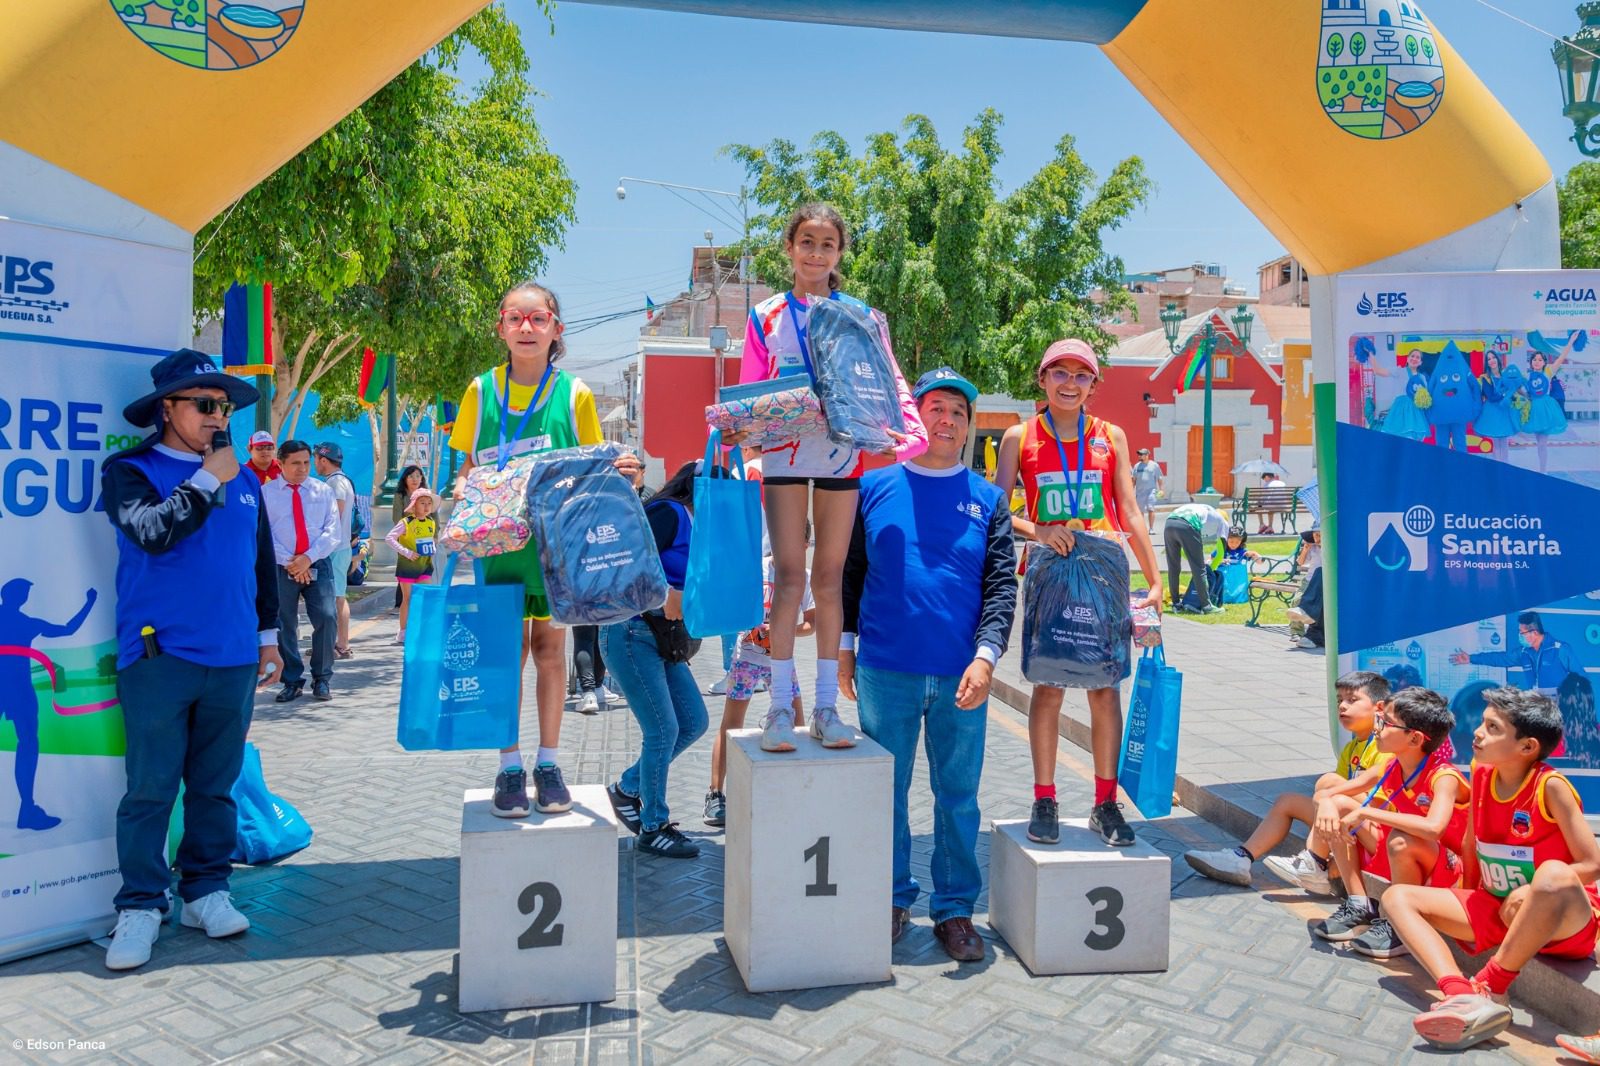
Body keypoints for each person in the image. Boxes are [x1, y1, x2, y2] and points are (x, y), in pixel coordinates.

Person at [99, 348, 282, 971]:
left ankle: (206, 890)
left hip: (232, 658)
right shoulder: (130, 470)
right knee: (150, 790)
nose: (215, 416)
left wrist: (268, 636)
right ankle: (142, 905)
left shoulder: (249, 482)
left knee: (214, 786)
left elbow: (260, 566)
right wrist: (207, 479)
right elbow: (153, 531)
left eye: (222, 406)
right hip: (159, 656)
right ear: (167, 410)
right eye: (203, 405)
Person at [839, 368, 1018, 962]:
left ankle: (955, 910)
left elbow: (1000, 590)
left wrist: (987, 658)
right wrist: (843, 647)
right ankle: (889, 899)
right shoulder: (874, 487)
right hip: (886, 669)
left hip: (963, 677)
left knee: (958, 796)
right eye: (936, 408)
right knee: (883, 793)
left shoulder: (989, 500)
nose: (948, 420)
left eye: (959, 413)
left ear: (968, 427)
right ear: (916, 416)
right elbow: (850, 573)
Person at [734, 203, 926, 754]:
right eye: (807, 241)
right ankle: (777, 712)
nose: (816, 253)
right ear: (790, 248)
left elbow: (888, 379)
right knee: (790, 578)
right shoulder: (765, 316)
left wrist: (905, 432)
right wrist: (741, 431)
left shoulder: (862, 316)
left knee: (830, 579)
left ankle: (824, 709)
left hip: (844, 456)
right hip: (784, 458)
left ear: (840, 253)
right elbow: (751, 391)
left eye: (827, 244)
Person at [448, 280, 640, 817]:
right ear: (500, 327)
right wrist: (462, 487)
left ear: (557, 328)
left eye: (538, 319)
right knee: (506, 655)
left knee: (551, 653)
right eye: (515, 318)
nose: (526, 328)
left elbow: (595, 468)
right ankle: (509, 766)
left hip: (556, 553)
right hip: (498, 552)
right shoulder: (480, 392)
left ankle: (549, 763)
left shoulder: (573, 394)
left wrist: (626, 472)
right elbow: (465, 468)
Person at [992, 337, 1163, 847]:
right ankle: (1044, 798)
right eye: (1059, 373)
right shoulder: (1019, 437)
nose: (1070, 383)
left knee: (1104, 689)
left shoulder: (1111, 435)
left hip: (1105, 573)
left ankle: (1105, 803)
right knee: (1047, 687)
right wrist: (1038, 530)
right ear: (1042, 380)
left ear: (1094, 383)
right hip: (1050, 574)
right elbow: (997, 508)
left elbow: (1129, 508)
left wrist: (1155, 579)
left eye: (1081, 374)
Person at [1384, 688, 1600, 1051]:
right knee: (1396, 898)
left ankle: (1490, 986)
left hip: (1564, 922)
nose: (1478, 733)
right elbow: (1471, 845)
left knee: (1551, 873)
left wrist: (1530, 892)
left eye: (1492, 727)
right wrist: (1469, 899)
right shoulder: (1479, 772)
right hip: (1501, 907)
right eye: (1482, 723)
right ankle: (1459, 992)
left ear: (1527, 747)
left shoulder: (1551, 787)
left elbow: (1592, 865)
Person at [1183, 670, 1389, 894]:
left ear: (1379, 708)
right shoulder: (1351, 748)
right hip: (1353, 823)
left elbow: (1381, 807)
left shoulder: (1386, 747)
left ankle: (1314, 862)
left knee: (1329, 785)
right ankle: (1241, 858)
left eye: (1352, 700)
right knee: (1288, 801)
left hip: (1380, 832)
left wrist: (1331, 799)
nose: (1342, 706)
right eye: (1339, 700)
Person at [603, 461, 713, 858]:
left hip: (662, 639)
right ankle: (653, 825)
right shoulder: (667, 512)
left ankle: (627, 789)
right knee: (663, 729)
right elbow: (626, 561)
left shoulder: (698, 522)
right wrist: (665, 592)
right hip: (632, 632)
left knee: (694, 721)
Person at [1312, 688, 1466, 960]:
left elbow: (1434, 828)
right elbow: (1330, 793)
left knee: (1400, 839)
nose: (1377, 727)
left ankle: (1400, 926)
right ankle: (1360, 903)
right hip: (1404, 857)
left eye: (1386, 722)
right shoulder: (1392, 765)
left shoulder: (1444, 776)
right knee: (1339, 805)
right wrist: (1326, 803)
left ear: (1415, 738)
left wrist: (1368, 814)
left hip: (1448, 868)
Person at [704, 556, 813, 826]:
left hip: (782, 660)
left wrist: (781, 630)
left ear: (804, 545)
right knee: (731, 726)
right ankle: (715, 794)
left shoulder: (805, 575)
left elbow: (812, 625)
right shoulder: (755, 566)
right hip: (747, 657)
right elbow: (730, 606)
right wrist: (752, 628)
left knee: (797, 724)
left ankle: (799, 788)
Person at [0, 579, 96, 830]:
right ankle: (27, 808)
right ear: (17, 596)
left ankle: (28, 809)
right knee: (28, 743)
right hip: (19, 689)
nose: (27, 595)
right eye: (25, 591)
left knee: (29, 742)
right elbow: (68, 629)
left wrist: (89, 604)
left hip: (16, 689)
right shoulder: (25, 623)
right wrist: (90, 602)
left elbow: (66, 630)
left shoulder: (26, 622)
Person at [263, 440, 341, 703]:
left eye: (306, 462)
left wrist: (307, 559)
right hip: (282, 565)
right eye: (295, 463)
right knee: (284, 623)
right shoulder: (267, 493)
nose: (302, 468)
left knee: (328, 617)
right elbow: (263, 535)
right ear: (281, 463)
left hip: (317, 562)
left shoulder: (322, 491)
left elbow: (333, 531)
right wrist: (291, 562)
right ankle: (292, 680)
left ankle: (322, 678)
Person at [1449, 610, 1579, 697]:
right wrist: (1471, 658)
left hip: (1561, 711)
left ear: (1534, 632)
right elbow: (1501, 658)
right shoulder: (1524, 653)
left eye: (1521, 633)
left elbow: (1582, 680)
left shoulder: (1560, 649)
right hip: (1539, 710)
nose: (1519, 636)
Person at [314, 442, 356, 660]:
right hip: (340, 546)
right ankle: (334, 642)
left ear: (323, 459)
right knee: (334, 596)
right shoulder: (341, 480)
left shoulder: (336, 483)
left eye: (315, 459)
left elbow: (334, 515)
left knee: (337, 597)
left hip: (335, 548)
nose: (313, 464)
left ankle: (341, 644)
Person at [384, 487, 437, 644]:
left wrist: (432, 548)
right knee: (407, 598)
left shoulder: (431, 522)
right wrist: (406, 552)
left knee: (424, 596)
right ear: (414, 505)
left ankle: (423, 629)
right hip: (407, 566)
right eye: (422, 503)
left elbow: (430, 541)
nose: (426, 506)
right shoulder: (405, 522)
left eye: (429, 503)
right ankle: (403, 631)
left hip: (425, 565)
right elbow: (389, 538)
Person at [1162, 501, 1228, 615]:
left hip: (1169, 522)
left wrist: (1191, 557)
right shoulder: (1223, 522)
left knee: (1173, 567)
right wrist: (1209, 568)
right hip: (1188, 524)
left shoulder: (1205, 510)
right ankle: (1207, 606)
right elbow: (1221, 551)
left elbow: (1185, 550)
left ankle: (1176, 604)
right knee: (1199, 569)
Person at [391, 464, 428, 610]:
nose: (415, 479)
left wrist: (435, 535)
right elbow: (396, 517)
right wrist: (403, 534)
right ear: (405, 479)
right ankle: (401, 602)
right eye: (411, 476)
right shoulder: (400, 495)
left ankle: (419, 602)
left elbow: (434, 516)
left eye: (418, 476)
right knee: (405, 570)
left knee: (422, 568)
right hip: (406, 538)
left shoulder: (426, 494)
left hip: (424, 536)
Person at [1286, 528, 1324, 649]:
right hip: (1308, 580)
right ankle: (1296, 632)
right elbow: (1301, 562)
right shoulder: (1312, 548)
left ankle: (1312, 624)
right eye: (1315, 536)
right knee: (1296, 601)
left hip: (1323, 582)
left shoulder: (1331, 548)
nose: (1317, 538)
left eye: (1320, 535)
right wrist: (1306, 549)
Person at [1131, 447, 1163, 529]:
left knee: (1151, 509)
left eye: (1141, 454)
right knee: (1140, 511)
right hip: (1140, 492)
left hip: (1151, 491)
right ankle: (1142, 528)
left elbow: (1159, 478)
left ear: (1147, 455)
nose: (1139, 456)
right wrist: (1131, 491)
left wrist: (1161, 490)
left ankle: (1151, 528)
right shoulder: (1136, 466)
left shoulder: (1154, 465)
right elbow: (1133, 480)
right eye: (1139, 454)